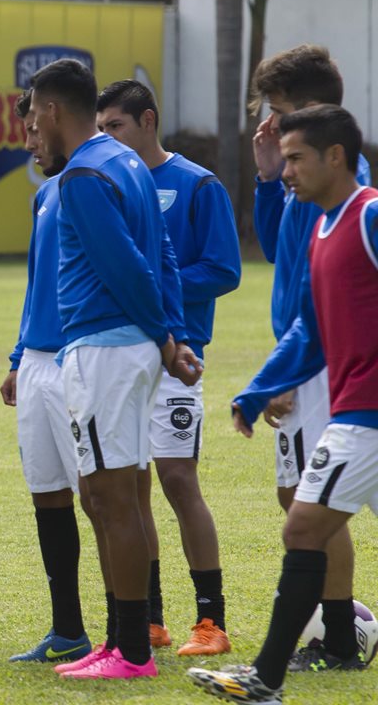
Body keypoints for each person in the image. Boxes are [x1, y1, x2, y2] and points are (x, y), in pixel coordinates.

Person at [190, 105, 378, 703]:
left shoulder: (370, 215)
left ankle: (264, 680)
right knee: (303, 526)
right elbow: (310, 332)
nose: (286, 170)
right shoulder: (320, 228)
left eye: (296, 158)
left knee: (301, 526)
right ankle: (269, 678)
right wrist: (257, 389)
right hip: (355, 412)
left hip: (368, 416)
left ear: (335, 158)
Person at [29, 59, 200, 680]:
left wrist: (163, 336)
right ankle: (119, 639)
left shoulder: (80, 176)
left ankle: (130, 651)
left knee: (110, 496)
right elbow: (166, 255)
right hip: (124, 348)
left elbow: (127, 264)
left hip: (103, 349)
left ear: (50, 111)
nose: (29, 127)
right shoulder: (127, 161)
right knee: (110, 495)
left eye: (31, 113)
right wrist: (171, 335)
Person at [96, 79, 241, 656]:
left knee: (178, 479)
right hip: (120, 357)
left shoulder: (196, 184)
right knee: (129, 491)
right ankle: (150, 619)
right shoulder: (105, 184)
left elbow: (225, 269)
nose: (106, 138)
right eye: (100, 127)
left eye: (116, 127)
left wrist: (158, 288)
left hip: (177, 358)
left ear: (148, 121)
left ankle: (211, 621)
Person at [244, 44, 371, 673]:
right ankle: (339, 627)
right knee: (302, 498)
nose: (271, 124)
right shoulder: (304, 177)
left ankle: (341, 633)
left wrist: (289, 372)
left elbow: (324, 295)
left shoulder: (350, 189)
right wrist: (269, 175)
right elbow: (277, 251)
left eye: (281, 110)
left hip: (328, 366)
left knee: (310, 504)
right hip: (305, 355)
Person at [0, 91, 92, 664]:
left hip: (80, 358)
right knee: (49, 497)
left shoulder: (92, 183)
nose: (29, 143)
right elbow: (37, 283)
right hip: (36, 362)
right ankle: (68, 630)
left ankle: (135, 627)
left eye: (35, 131)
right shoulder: (45, 196)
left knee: (102, 498)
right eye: (25, 133)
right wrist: (16, 358)